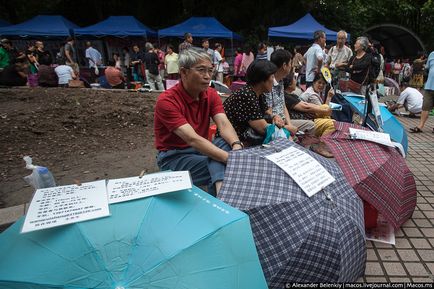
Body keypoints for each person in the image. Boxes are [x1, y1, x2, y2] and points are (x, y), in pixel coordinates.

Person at [154, 48, 242, 196]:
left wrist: (237, 147)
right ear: (184, 72)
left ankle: (220, 194)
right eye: (201, 70)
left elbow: (224, 124)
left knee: (223, 143)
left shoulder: (211, 94)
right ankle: (222, 199)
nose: (207, 76)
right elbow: (192, 138)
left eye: (210, 70)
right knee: (218, 163)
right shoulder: (167, 101)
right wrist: (231, 159)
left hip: (200, 150)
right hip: (175, 156)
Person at [223, 60, 278, 146]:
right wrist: (286, 129)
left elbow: (267, 112)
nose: (274, 81)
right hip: (233, 141)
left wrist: (275, 117)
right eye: (272, 77)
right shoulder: (246, 94)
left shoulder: (259, 94)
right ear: (263, 79)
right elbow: (262, 128)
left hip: (247, 138)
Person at [265, 49, 315, 135]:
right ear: (284, 65)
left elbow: (283, 106)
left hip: (284, 121)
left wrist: (290, 124)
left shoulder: (280, 82)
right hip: (274, 123)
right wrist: (287, 127)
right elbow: (268, 112)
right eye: (290, 63)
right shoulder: (268, 83)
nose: (291, 66)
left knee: (311, 125)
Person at [288, 73, 336, 138]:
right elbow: (322, 111)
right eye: (319, 82)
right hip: (307, 119)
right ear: (314, 82)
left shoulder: (313, 90)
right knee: (332, 123)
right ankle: (321, 143)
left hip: (308, 118)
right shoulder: (311, 95)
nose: (321, 85)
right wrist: (329, 97)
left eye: (323, 84)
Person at [410, 51, 434, 133]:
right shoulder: (432, 54)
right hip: (429, 86)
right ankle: (420, 126)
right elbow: (427, 68)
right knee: (425, 107)